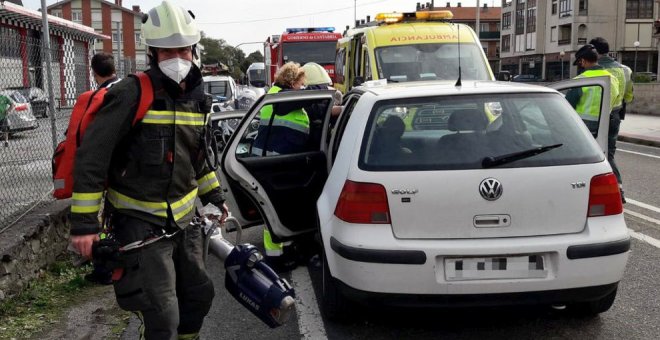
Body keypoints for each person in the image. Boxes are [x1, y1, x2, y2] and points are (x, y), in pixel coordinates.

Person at [68, 1, 228, 339]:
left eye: (183, 49)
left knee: (198, 297)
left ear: (194, 48)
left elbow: (197, 157)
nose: (178, 58)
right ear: (152, 52)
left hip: (185, 222)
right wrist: (84, 225)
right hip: (140, 224)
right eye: (167, 51)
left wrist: (215, 194)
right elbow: (92, 157)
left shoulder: (198, 98)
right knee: (162, 314)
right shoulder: (130, 93)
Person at [82, 52, 120, 285]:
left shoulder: (97, 97)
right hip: (126, 170)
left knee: (105, 223)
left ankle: (104, 268)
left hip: (102, 171)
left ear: (93, 71)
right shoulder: (128, 91)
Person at [589, 37, 634, 203]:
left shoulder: (592, 69)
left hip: (593, 118)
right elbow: (629, 96)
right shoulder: (625, 70)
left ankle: (606, 189)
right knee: (610, 153)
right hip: (615, 115)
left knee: (591, 154)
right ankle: (617, 188)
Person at [252, 61, 308, 156]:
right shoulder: (285, 96)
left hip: (263, 155)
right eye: (300, 84)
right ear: (293, 83)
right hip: (278, 159)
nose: (301, 87)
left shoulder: (273, 92)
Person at [566, 44, 619, 134]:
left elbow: (568, 106)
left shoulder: (580, 80)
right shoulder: (612, 78)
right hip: (606, 123)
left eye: (579, 63)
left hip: (584, 124)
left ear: (583, 61)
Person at [301, 62, 343, 146]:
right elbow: (314, 110)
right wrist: (340, 109)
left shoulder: (327, 99)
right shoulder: (303, 104)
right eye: (321, 87)